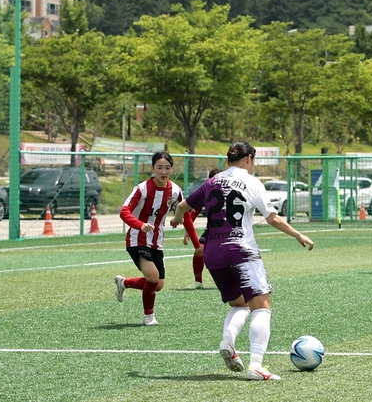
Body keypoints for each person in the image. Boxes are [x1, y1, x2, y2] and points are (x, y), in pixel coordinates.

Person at [171, 141, 314, 382]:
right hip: (241, 251)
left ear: (228, 161)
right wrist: (298, 234)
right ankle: (256, 365)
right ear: (248, 159)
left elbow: (183, 206)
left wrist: (176, 219)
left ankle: (228, 341)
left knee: (240, 304)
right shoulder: (252, 182)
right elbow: (272, 218)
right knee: (262, 306)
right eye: (254, 160)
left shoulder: (212, 182)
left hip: (213, 254)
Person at [114, 151, 184, 326]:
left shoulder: (175, 191)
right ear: (153, 168)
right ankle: (148, 317)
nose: (163, 171)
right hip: (137, 238)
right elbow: (124, 211)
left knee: (158, 284)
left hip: (157, 241)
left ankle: (124, 283)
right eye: (159, 167)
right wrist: (140, 225)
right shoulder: (142, 189)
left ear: (171, 169)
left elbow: (185, 211)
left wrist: (185, 227)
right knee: (153, 276)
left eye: (167, 168)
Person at [183, 167, 223, 289]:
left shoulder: (230, 191)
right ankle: (198, 281)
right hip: (211, 229)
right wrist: (187, 232)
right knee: (199, 251)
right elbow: (193, 213)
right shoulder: (206, 193)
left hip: (228, 229)